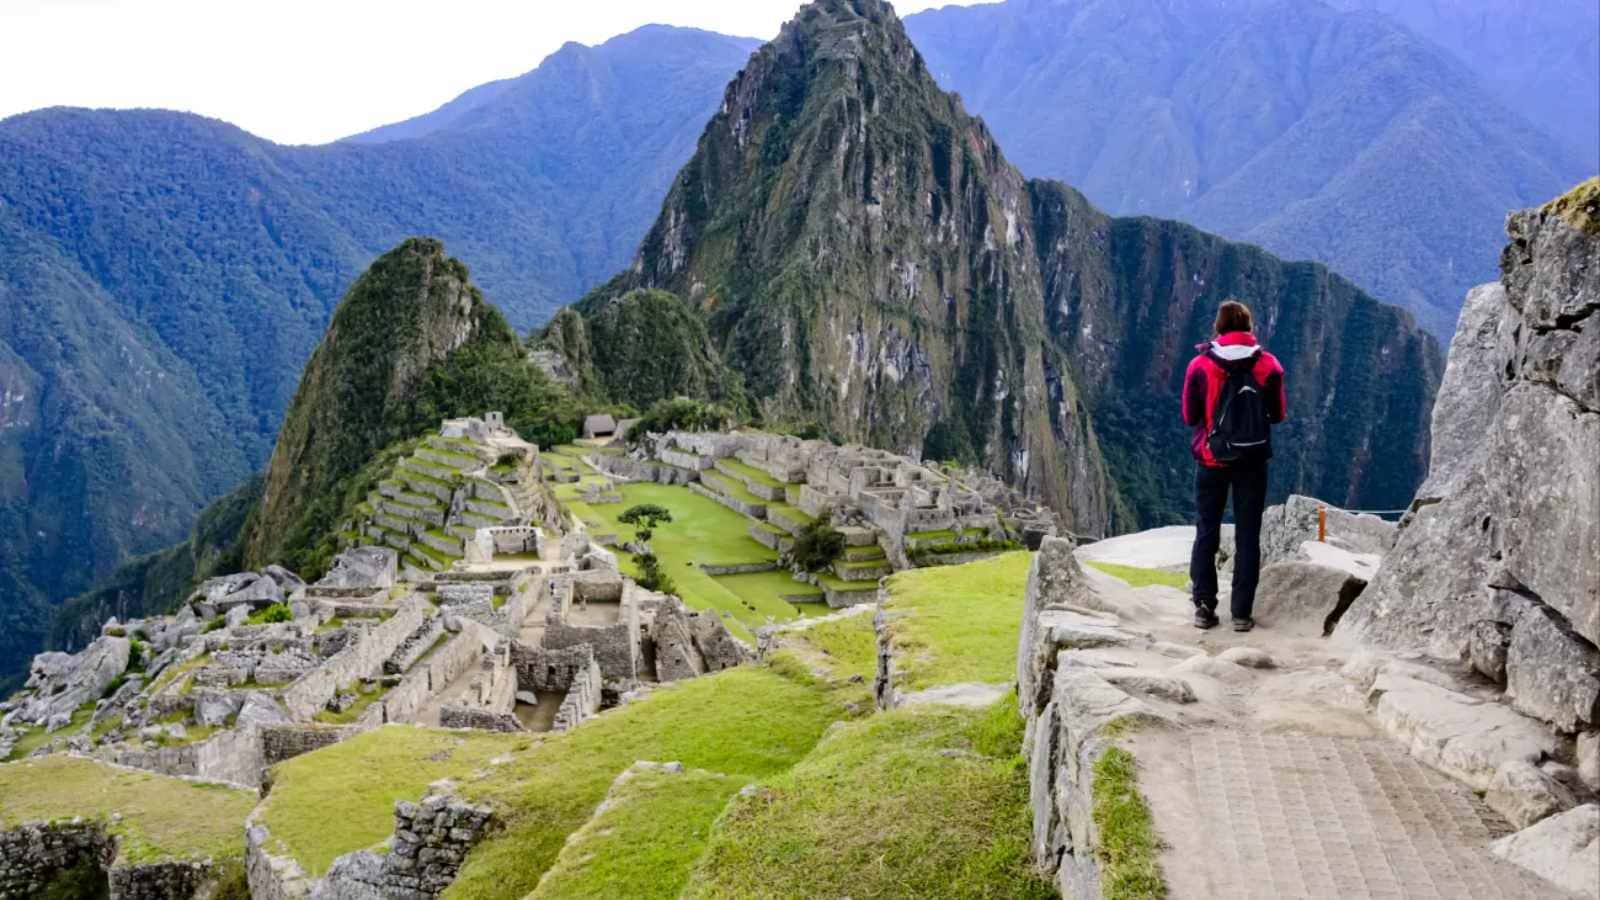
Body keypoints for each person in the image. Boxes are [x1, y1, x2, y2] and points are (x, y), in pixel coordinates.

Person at [1181, 299, 1286, 632]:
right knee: (1248, 535)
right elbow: (1278, 414)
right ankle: (1241, 613)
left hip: (1211, 459)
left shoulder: (1200, 365)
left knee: (1206, 531)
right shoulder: (1269, 365)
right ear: (1249, 327)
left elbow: (1189, 417)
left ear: (1219, 327)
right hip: (1252, 461)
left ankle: (1204, 606)